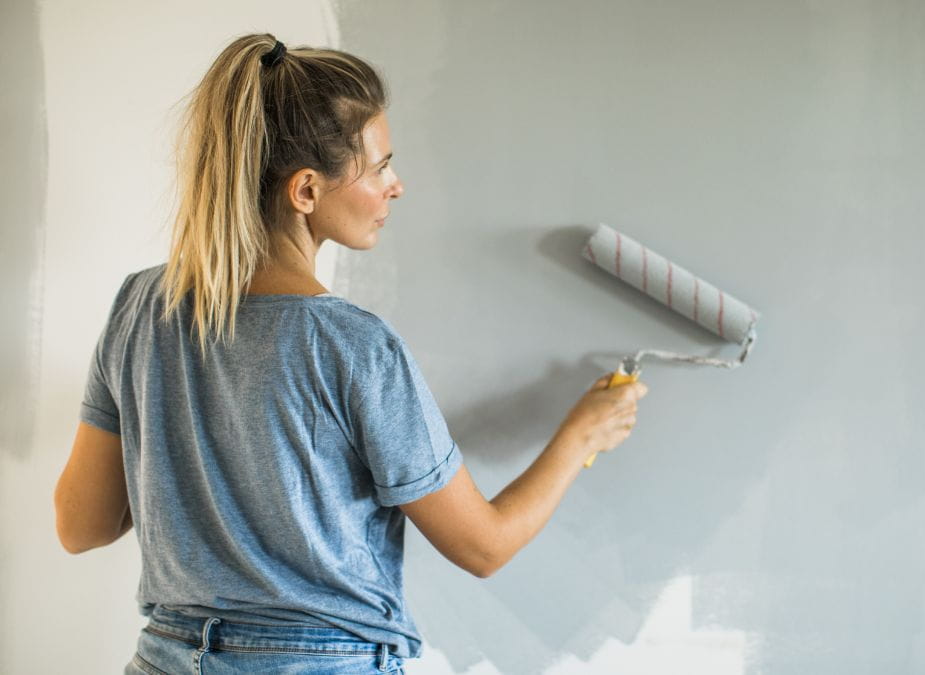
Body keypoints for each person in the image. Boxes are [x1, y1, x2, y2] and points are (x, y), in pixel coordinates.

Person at [52, 33, 647, 674]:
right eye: (381, 166)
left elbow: (80, 525)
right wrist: (582, 436)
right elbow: (483, 547)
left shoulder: (142, 306)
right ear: (306, 191)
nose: (397, 186)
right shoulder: (354, 346)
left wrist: (194, 473)